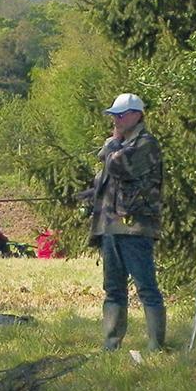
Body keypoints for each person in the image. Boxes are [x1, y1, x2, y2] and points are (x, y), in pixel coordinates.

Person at [80, 93, 165, 352]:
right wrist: (91, 195)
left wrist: (111, 145)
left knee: (146, 287)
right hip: (110, 226)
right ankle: (111, 342)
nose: (115, 120)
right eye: (113, 115)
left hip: (135, 226)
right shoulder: (122, 142)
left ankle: (155, 345)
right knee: (113, 288)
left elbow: (119, 166)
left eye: (120, 115)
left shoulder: (145, 143)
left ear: (137, 115)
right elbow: (105, 177)